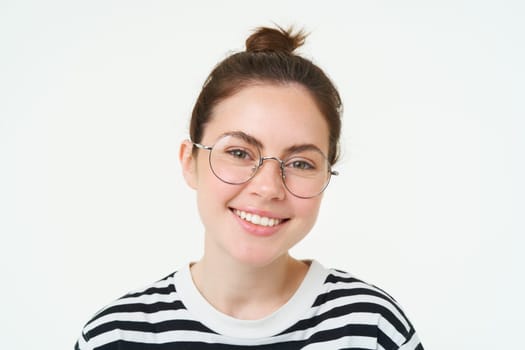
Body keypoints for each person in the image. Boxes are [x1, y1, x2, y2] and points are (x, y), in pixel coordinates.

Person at [75, 25, 424, 350]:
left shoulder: (373, 327)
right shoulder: (114, 336)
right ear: (189, 162)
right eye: (239, 153)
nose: (268, 187)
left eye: (301, 163)